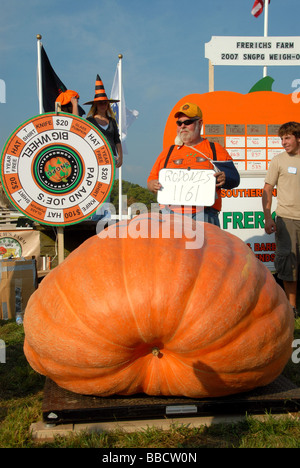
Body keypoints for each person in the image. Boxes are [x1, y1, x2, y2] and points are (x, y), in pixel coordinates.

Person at [147, 102, 240, 226]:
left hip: (205, 215)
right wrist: (153, 185)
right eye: (179, 123)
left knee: (207, 247)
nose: (183, 126)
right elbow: (151, 180)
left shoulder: (214, 150)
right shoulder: (168, 152)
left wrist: (225, 178)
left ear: (200, 123)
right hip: (171, 216)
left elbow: (235, 178)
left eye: (188, 122)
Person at [262, 121, 300, 319]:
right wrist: (268, 217)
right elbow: (268, 189)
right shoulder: (278, 160)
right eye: (281, 139)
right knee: (288, 264)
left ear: (298, 138)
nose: (283, 142)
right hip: (287, 219)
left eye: (287, 138)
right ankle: (291, 308)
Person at [84, 75, 123, 169]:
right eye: (100, 103)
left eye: (105, 102)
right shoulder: (89, 121)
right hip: (94, 158)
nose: (103, 105)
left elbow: (117, 140)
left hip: (111, 158)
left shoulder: (112, 121)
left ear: (108, 104)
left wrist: (120, 157)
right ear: (95, 105)